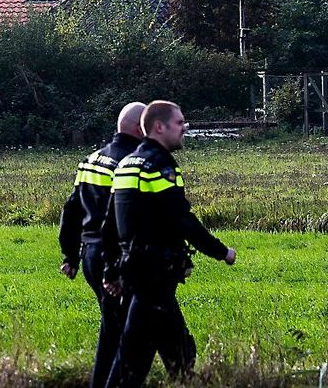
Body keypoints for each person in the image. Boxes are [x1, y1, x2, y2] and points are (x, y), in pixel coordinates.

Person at [101, 100, 236, 388]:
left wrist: (111, 269)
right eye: (179, 123)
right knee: (132, 359)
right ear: (159, 127)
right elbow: (181, 219)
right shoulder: (158, 166)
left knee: (179, 351)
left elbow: (110, 224)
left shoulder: (126, 164)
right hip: (154, 275)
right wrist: (221, 252)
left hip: (136, 272)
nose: (184, 128)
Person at [59, 102, 147, 388]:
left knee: (113, 326)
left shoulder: (91, 159)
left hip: (89, 256)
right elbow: (123, 219)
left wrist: (70, 255)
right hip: (115, 257)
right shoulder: (130, 163)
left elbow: (71, 209)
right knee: (124, 331)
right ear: (139, 128)